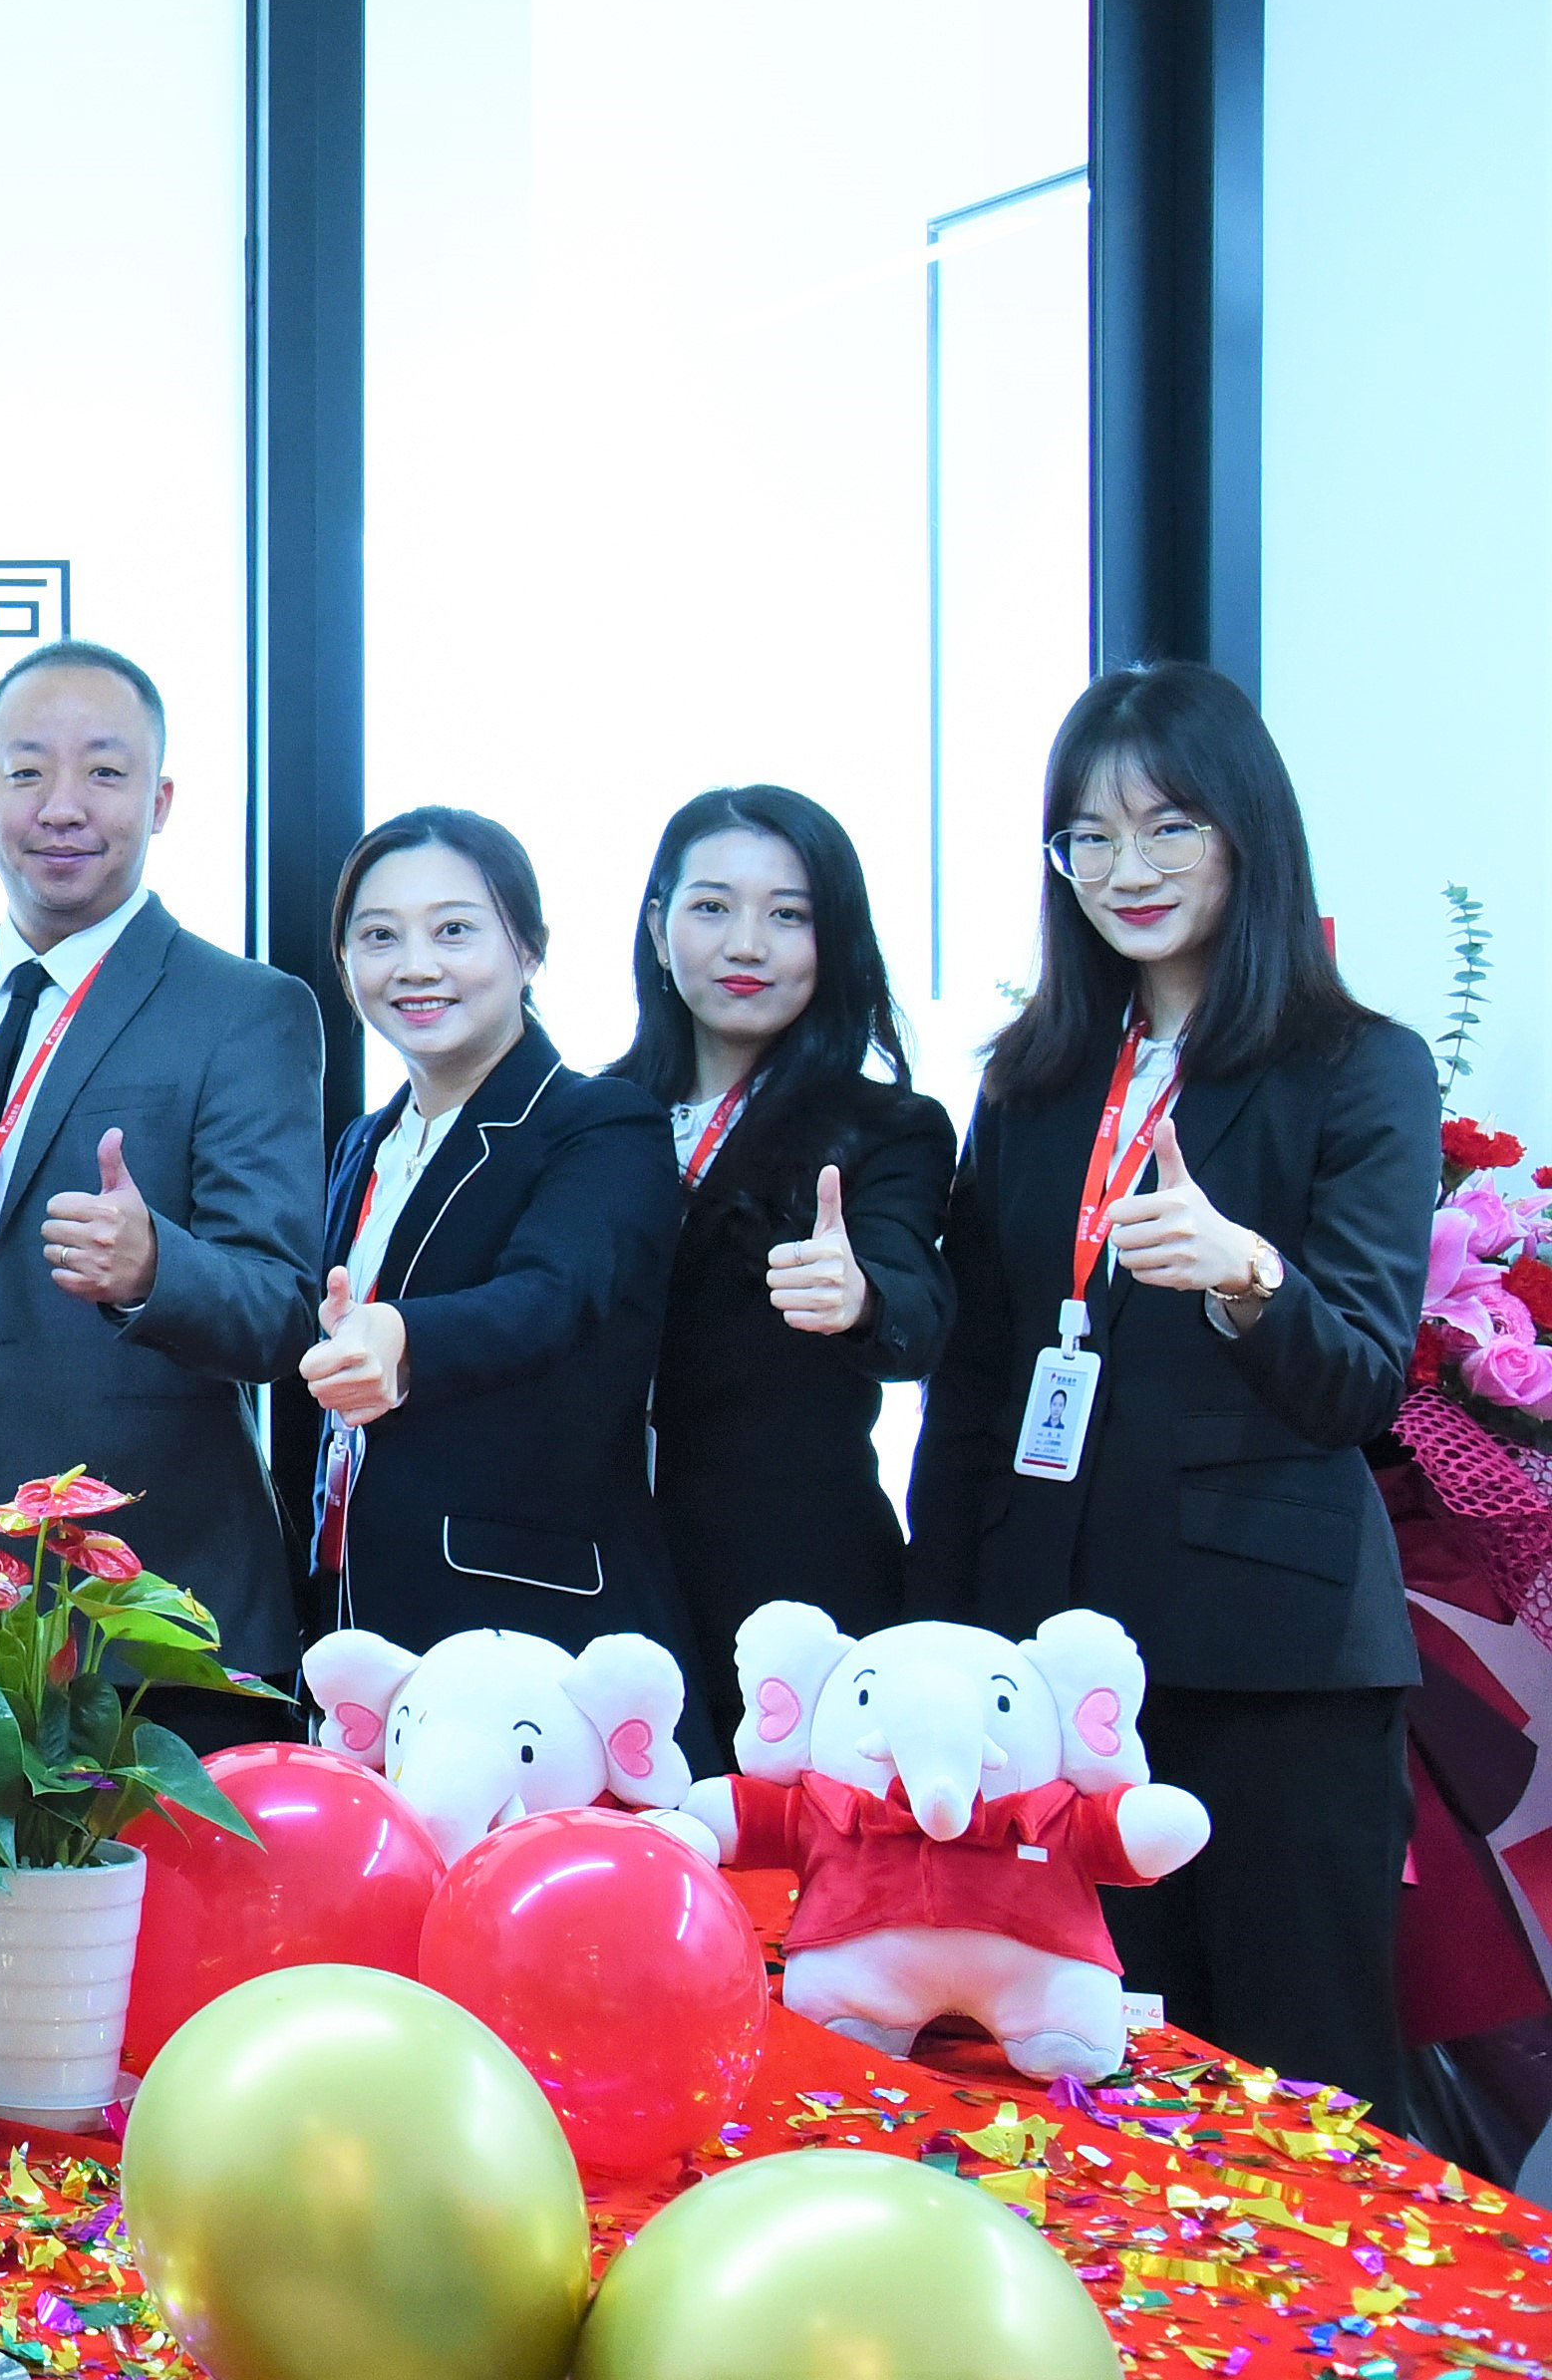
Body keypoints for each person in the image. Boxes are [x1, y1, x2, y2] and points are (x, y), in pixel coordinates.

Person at [908, 661, 1435, 2123]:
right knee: (1084, 2067)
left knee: (1299, 2078)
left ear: (1247, 832)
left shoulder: (1359, 1068)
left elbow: (1359, 1383)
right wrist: (942, 1631)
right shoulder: (1033, 1082)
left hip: (1272, 1665)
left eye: (1167, 828)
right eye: (1088, 836)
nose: (1125, 870)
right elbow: (976, 1381)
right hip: (1057, 1666)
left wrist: (1247, 1273)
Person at [0, 641, 323, 1723]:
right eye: (27, 771)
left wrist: (154, 1271)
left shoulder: (246, 1010)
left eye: (104, 771)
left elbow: (284, 1309)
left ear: (161, 799)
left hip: (152, 1617)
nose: (62, 805)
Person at [273, 805, 688, 1660]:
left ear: (529, 949)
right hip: (356, 1604)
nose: (416, 966)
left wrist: (401, 1334)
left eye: (454, 931)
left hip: (527, 1625)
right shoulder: (364, 1143)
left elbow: (550, 1296)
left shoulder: (600, 1123)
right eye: (379, 937)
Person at [614, 785, 956, 1753]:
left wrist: (860, 1298)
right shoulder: (591, 1116)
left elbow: (917, 1303)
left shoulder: (887, 1127)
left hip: (795, 1592)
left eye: (789, 914)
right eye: (711, 906)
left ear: (833, 938)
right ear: (658, 927)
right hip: (607, 1576)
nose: (747, 944)